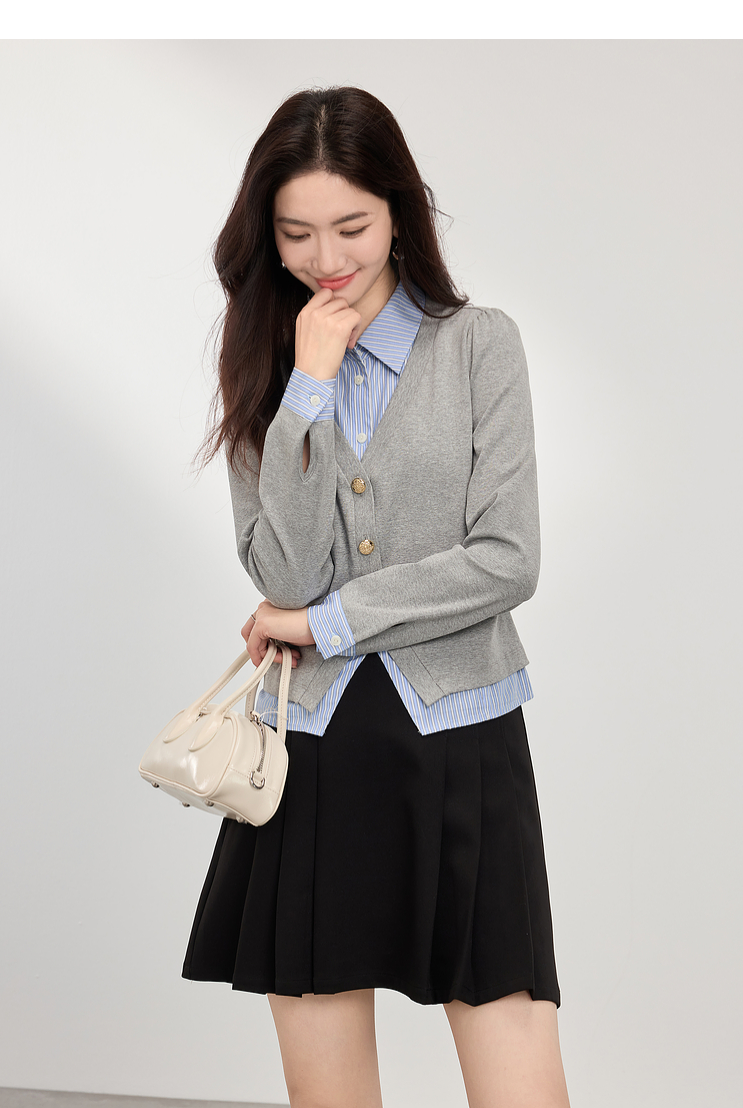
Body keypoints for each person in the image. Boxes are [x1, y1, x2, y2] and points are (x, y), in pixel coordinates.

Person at [183, 86, 571, 1108]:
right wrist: (306, 389)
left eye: (351, 226)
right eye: (296, 233)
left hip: (463, 737)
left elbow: (508, 558)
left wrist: (327, 625)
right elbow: (282, 574)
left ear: (402, 210)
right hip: (310, 752)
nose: (327, 257)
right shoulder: (264, 364)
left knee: (517, 1065)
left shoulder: (480, 344)